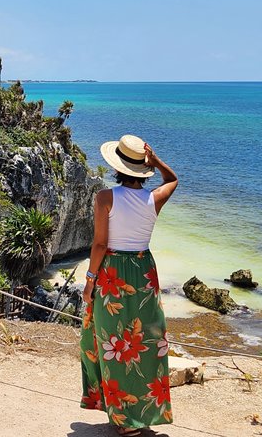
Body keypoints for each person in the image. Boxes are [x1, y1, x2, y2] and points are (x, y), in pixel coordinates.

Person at [80, 135, 178, 436]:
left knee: (108, 341)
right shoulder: (154, 198)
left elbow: (99, 244)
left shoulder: (105, 197)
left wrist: (89, 280)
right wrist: (156, 160)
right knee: (144, 344)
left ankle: (123, 418)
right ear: (142, 169)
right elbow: (173, 179)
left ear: (118, 166)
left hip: (113, 272)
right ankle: (142, 412)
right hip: (144, 270)